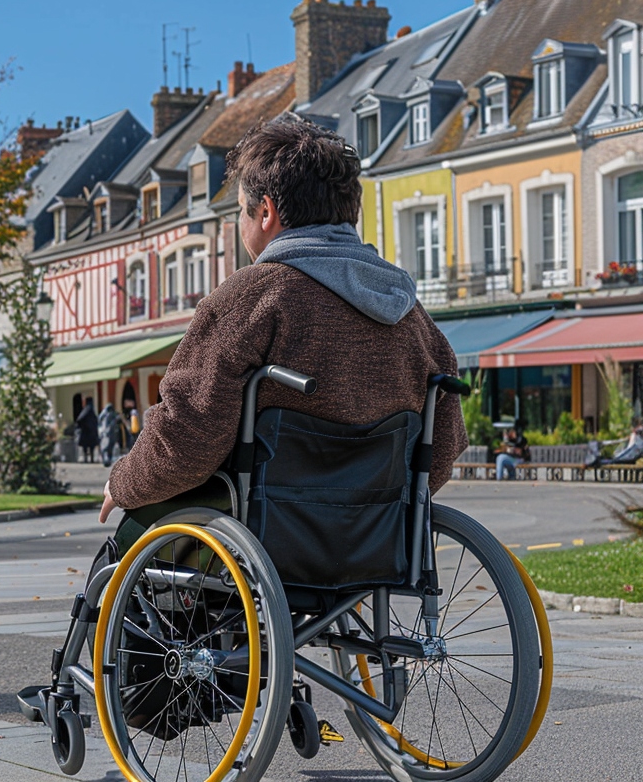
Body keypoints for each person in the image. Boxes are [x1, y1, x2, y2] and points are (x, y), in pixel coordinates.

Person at [97, 116, 466, 550]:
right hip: (368, 541)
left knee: (123, 550)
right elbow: (443, 447)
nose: (240, 222)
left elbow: (187, 438)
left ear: (266, 211)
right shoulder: (413, 318)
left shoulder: (252, 298)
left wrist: (121, 482)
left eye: (240, 210)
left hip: (262, 540)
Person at [74, 397, 100, 463]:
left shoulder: (86, 409)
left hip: (86, 432)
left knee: (85, 447)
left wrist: (81, 425)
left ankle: (86, 459)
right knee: (91, 447)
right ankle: (91, 459)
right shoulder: (92, 409)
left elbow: (79, 419)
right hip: (92, 432)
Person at [98, 403, 120, 468]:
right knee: (107, 448)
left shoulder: (103, 415)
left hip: (105, 434)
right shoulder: (109, 415)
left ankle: (107, 461)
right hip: (109, 434)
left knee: (106, 448)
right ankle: (107, 460)